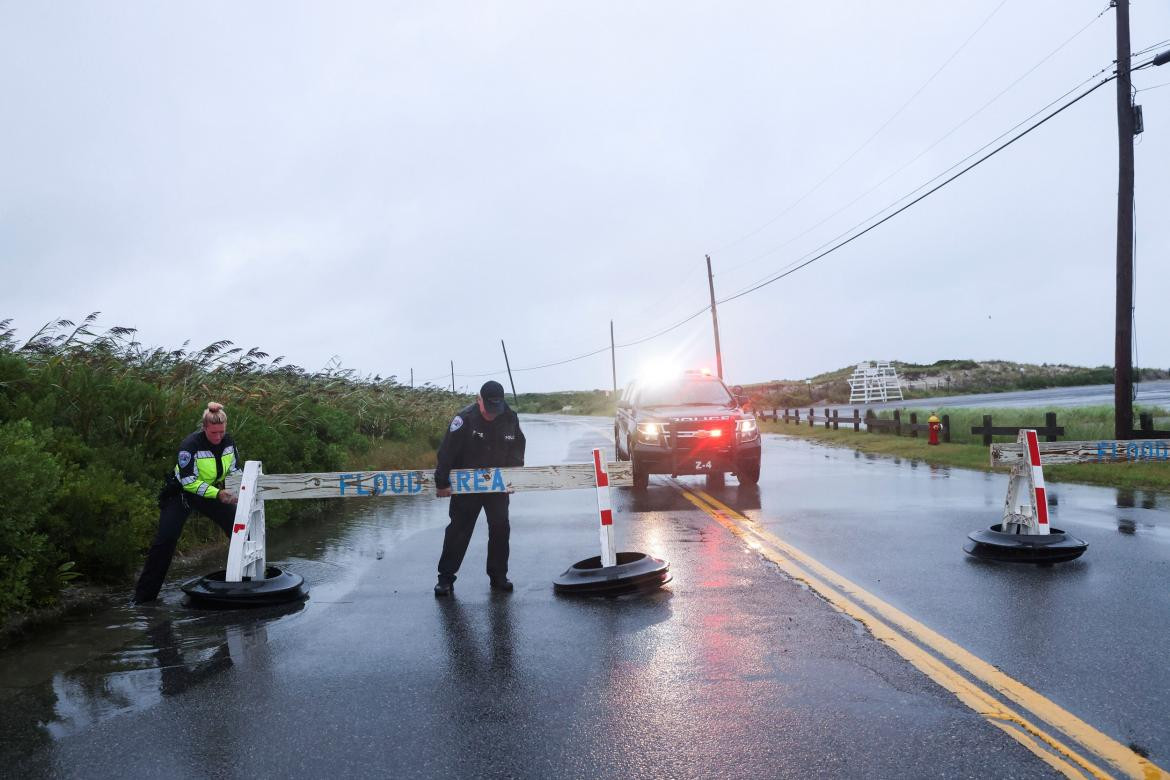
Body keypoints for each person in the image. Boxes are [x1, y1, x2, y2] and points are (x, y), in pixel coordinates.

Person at [133, 402, 242, 604]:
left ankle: (244, 581)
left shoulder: (228, 442)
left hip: (210, 493)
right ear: (204, 428)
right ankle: (143, 600)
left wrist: (238, 491)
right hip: (181, 494)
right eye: (213, 433)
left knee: (240, 528)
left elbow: (235, 470)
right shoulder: (190, 445)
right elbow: (189, 481)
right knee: (165, 541)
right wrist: (219, 494)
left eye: (221, 432)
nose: (218, 437)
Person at [433, 380, 526, 597]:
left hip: (497, 485)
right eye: (488, 408)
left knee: (500, 527)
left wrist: (513, 477)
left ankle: (498, 576)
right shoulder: (464, 419)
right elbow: (446, 451)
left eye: (496, 408)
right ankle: (445, 579)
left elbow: (518, 448)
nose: (492, 414)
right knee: (459, 530)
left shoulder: (509, 417)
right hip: (467, 487)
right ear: (479, 400)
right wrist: (442, 482)